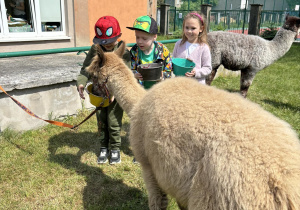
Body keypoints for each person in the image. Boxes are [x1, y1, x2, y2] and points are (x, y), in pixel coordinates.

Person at [77, 16, 131, 165]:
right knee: (101, 121)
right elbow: (85, 70)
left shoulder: (123, 52)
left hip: (115, 95)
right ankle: (103, 147)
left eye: (110, 41)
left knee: (113, 122)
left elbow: (126, 73)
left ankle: (114, 148)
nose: (106, 45)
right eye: (103, 42)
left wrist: (115, 91)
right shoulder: (95, 50)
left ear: (118, 36)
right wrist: (81, 83)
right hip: (99, 94)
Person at [126, 15, 172, 86]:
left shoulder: (163, 51)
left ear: (154, 37)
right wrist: (134, 75)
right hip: (140, 91)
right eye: (137, 37)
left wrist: (163, 77)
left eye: (144, 39)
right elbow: (129, 69)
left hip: (157, 90)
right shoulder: (134, 51)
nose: (140, 41)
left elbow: (169, 71)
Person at [172, 12, 212, 84]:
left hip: (197, 87)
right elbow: (173, 61)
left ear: (201, 29)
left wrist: (196, 72)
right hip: (180, 85)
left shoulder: (204, 48)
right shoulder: (178, 44)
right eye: (187, 27)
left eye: (193, 28)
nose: (189, 31)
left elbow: (208, 68)